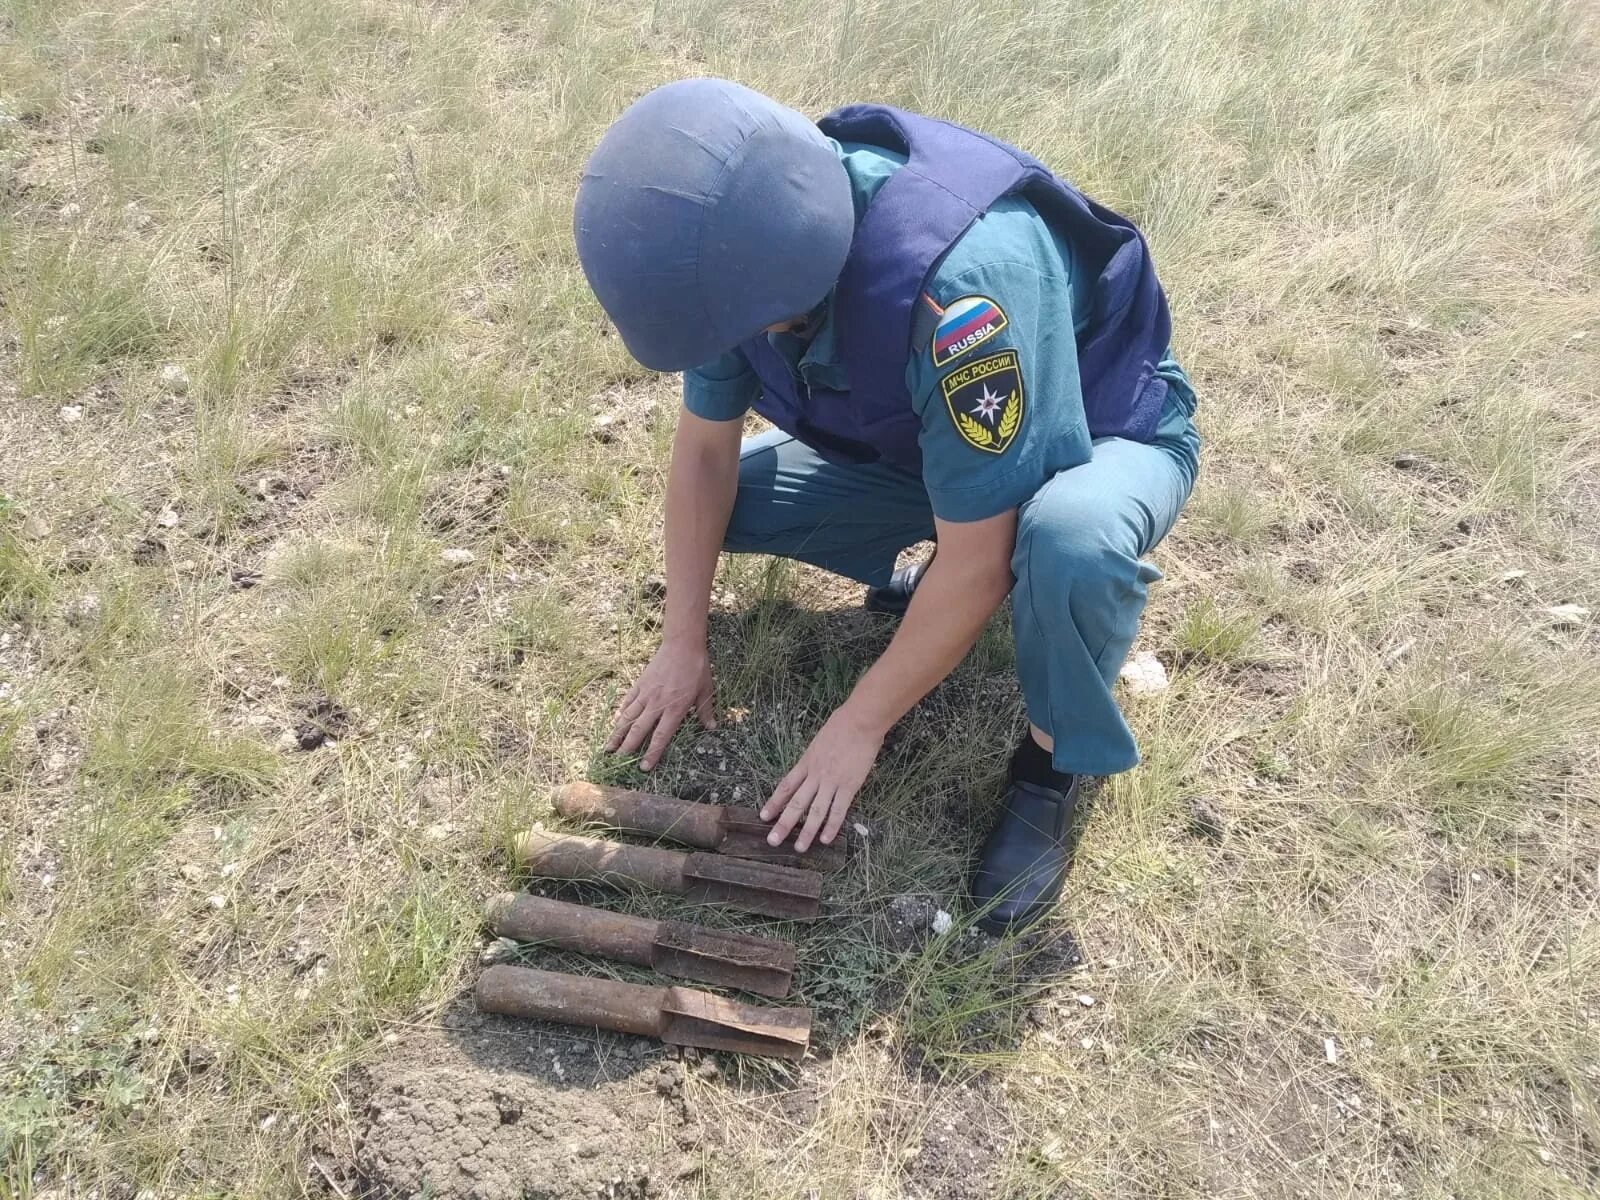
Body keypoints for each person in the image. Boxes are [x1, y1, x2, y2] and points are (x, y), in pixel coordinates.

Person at [573, 78, 1200, 933]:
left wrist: (857, 726)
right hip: (929, 445)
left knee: (1068, 541)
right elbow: (705, 458)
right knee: (741, 504)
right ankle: (927, 588)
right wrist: (683, 639)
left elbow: (980, 562)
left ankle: (1051, 769)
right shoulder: (735, 255)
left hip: (1101, 426)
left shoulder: (959, 295)